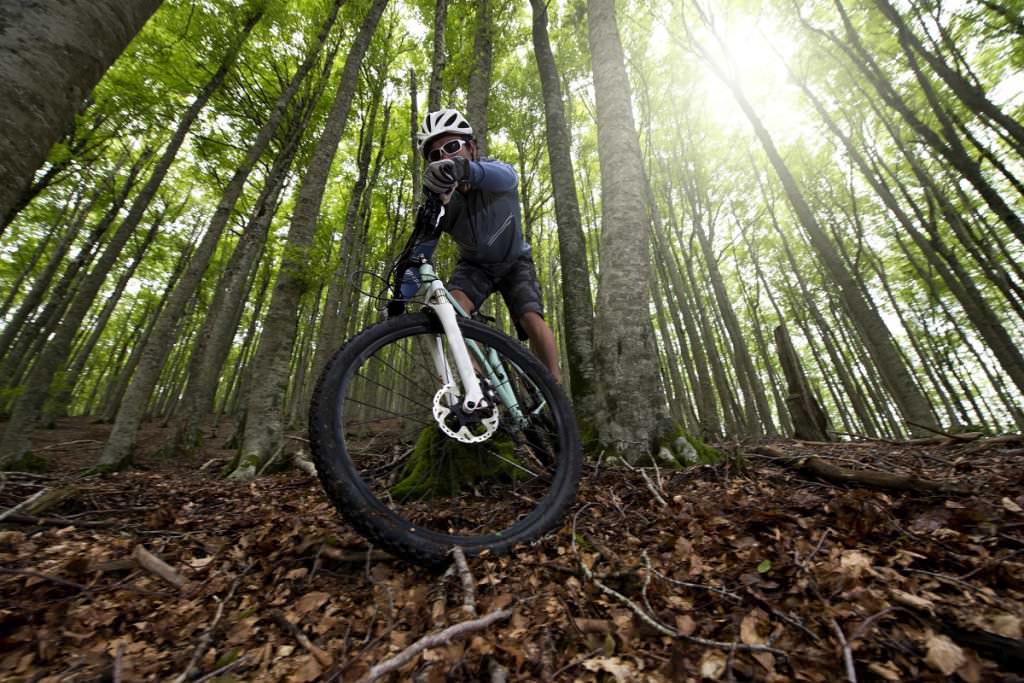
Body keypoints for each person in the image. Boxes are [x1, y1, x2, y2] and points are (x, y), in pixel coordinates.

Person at [396, 108, 562, 384]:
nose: (444, 158)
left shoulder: (495, 172)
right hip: (475, 266)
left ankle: (554, 386)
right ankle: (478, 385)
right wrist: (399, 298)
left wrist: (463, 170)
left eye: (452, 147)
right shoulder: (442, 203)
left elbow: (508, 178)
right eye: (435, 156)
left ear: (471, 147)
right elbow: (420, 253)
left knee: (529, 316)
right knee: (451, 310)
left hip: (514, 260)